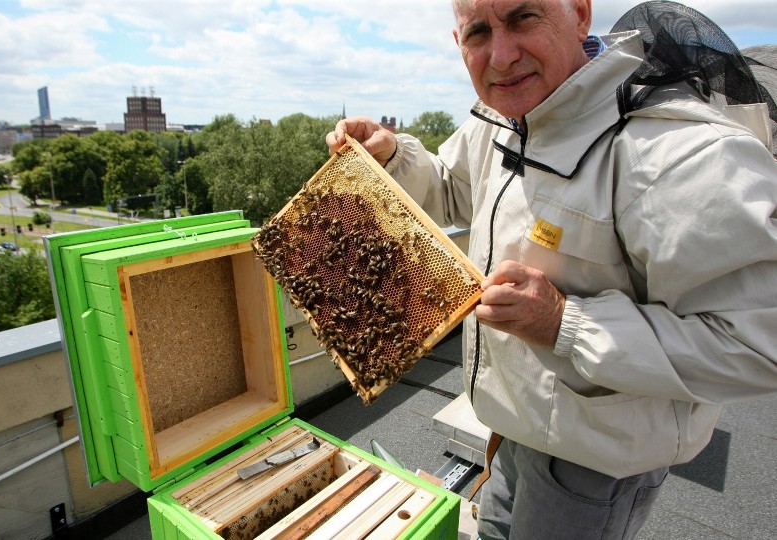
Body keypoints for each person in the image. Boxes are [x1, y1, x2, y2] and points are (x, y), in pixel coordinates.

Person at [326, 1, 777, 539]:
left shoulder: (678, 152)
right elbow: (453, 188)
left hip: (596, 460)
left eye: (523, 18)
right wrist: (395, 155)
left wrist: (566, 322)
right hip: (514, 425)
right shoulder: (501, 116)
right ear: (457, 41)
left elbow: (756, 343)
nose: (501, 55)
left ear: (580, 14)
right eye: (478, 33)